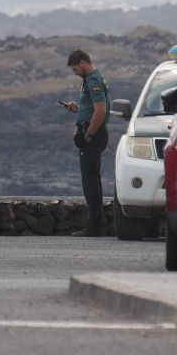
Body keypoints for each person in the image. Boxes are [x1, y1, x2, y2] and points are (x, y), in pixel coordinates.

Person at [61, 50, 110, 236]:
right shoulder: (93, 79)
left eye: (75, 69)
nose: (75, 73)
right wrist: (78, 109)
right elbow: (93, 109)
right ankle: (97, 222)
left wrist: (88, 135)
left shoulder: (94, 80)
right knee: (92, 177)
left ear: (82, 63)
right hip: (94, 132)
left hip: (94, 135)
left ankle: (95, 225)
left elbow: (100, 110)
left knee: (89, 179)